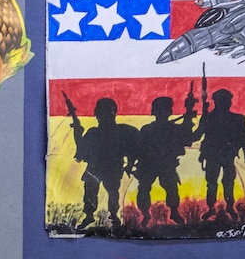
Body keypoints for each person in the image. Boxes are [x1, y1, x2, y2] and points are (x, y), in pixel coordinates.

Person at [64, 96, 133, 231]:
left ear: (114, 113)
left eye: (108, 112)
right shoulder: (92, 133)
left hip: (113, 168)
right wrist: (78, 132)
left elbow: (130, 150)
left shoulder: (121, 132)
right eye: (102, 113)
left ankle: (113, 215)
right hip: (94, 168)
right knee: (90, 191)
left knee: (113, 193)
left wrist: (129, 164)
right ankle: (89, 215)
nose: (104, 116)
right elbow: (81, 153)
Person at [130, 91, 198, 228]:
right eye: (160, 110)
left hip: (166, 164)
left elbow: (188, 139)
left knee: (172, 189)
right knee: (143, 190)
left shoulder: (173, 128)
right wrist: (133, 164)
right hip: (148, 165)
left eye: (165, 110)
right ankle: (146, 214)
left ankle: (174, 212)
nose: (163, 113)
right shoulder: (147, 129)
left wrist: (188, 118)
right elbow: (138, 149)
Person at [196, 88, 245, 221]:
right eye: (221, 100)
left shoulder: (237, 119)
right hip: (212, 154)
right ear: (216, 102)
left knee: (228, 181)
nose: (225, 103)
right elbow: (197, 135)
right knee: (212, 182)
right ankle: (211, 208)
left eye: (226, 100)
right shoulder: (208, 117)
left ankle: (230, 206)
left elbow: (243, 137)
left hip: (228, 154)